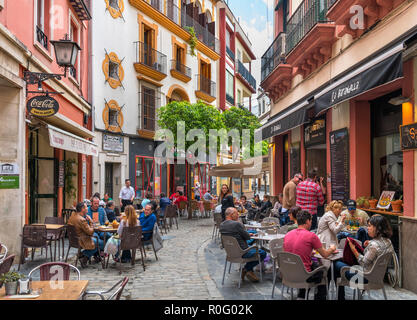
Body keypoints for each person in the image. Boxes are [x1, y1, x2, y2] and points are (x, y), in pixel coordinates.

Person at [334, 214, 395, 300]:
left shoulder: (374, 245)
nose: (367, 228)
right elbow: (377, 250)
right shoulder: (388, 241)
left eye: (370, 226)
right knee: (341, 265)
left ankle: (339, 296)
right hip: (378, 277)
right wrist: (369, 244)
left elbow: (363, 262)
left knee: (336, 264)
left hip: (365, 279)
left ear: (378, 228)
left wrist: (353, 249)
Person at [284, 210, 337, 299]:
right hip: (303, 275)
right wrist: (332, 248)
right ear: (308, 221)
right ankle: (320, 297)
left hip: (287, 273)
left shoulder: (288, 235)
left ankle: (301, 295)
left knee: (312, 266)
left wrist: (307, 252)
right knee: (324, 271)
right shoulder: (311, 236)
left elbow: (289, 252)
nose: (311, 223)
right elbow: (325, 254)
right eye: (311, 221)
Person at [219, 207, 266, 282]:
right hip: (242, 252)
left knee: (251, 241)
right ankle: (247, 269)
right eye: (237, 214)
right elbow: (247, 237)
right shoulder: (236, 224)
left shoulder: (221, 225)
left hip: (230, 252)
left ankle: (249, 270)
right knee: (263, 253)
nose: (238, 215)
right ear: (232, 214)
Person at [68, 202, 105, 268]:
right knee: (103, 243)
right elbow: (90, 232)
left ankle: (85, 257)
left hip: (74, 240)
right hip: (82, 240)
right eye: (86, 207)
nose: (87, 209)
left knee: (97, 241)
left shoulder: (72, 216)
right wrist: (91, 221)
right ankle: (84, 255)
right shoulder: (81, 219)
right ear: (82, 209)